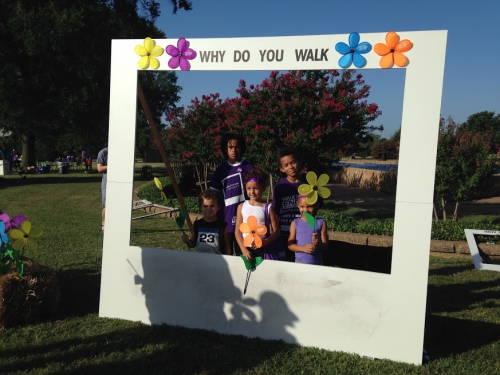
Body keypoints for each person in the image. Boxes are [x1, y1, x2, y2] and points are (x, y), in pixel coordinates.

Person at [210, 133, 254, 255]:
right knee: (226, 256)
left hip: (245, 222)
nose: (234, 150)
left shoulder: (249, 167)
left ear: (242, 148)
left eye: (237, 147)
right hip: (226, 221)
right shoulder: (220, 171)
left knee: (245, 256)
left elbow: (257, 192)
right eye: (230, 147)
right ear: (225, 149)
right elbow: (213, 197)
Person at [234, 169, 281, 261]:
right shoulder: (241, 207)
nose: (252, 192)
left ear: (263, 188)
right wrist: (244, 250)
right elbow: (237, 232)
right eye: (249, 188)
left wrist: (264, 242)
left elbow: (277, 232)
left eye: (256, 188)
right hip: (244, 248)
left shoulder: (268, 208)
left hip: (262, 249)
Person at [272, 146, 304, 262]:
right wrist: (276, 233)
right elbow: (275, 212)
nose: (291, 167)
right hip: (284, 235)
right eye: (286, 165)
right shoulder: (279, 187)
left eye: (293, 162)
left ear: (298, 162)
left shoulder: (308, 185)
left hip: (303, 234)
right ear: (282, 169)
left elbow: (314, 210)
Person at [181, 189, 231, 255]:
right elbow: (193, 243)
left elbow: (227, 245)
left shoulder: (223, 226)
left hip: (218, 260)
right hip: (201, 260)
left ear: (218, 207)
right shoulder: (197, 224)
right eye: (205, 206)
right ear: (201, 207)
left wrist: (229, 258)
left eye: (212, 206)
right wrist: (187, 241)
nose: (208, 209)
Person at [287, 195, 328, 265]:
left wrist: (318, 244)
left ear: (316, 205)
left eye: (309, 206)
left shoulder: (321, 223)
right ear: (298, 206)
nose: (305, 210)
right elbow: (290, 245)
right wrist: (303, 248)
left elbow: (325, 246)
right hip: (299, 263)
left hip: (317, 263)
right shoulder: (295, 223)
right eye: (302, 207)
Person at [97, 147, 108, 231]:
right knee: (106, 205)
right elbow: (99, 168)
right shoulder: (103, 152)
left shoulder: (120, 151)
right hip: (107, 184)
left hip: (119, 184)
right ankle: (104, 224)